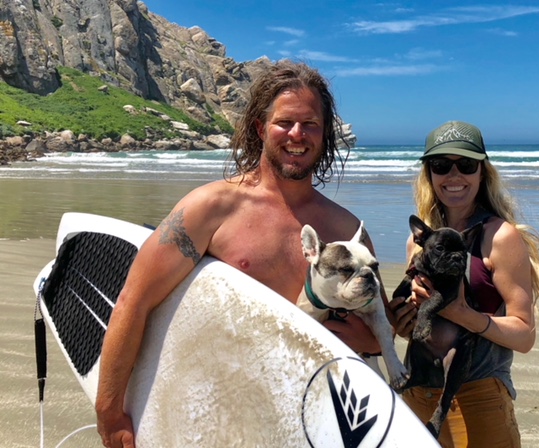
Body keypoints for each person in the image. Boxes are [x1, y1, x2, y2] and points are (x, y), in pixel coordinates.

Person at [95, 60, 384, 448]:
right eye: (285, 122)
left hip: (308, 419)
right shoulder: (211, 209)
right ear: (261, 128)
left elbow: (380, 325)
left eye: (310, 124)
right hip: (222, 410)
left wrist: (372, 342)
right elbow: (134, 301)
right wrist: (110, 412)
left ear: (325, 133)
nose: (297, 134)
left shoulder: (346, 230)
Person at [388, 121, 539, 447]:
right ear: (429, 173)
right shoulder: (419, 240)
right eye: (441, 165)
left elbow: (524, 336)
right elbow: (419, 329)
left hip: (478, 392)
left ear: (482, 172)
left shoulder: (500, 236)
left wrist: (461, 313)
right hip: (419, 389)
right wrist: (404, 323)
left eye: (466, 164)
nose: (454, 175)